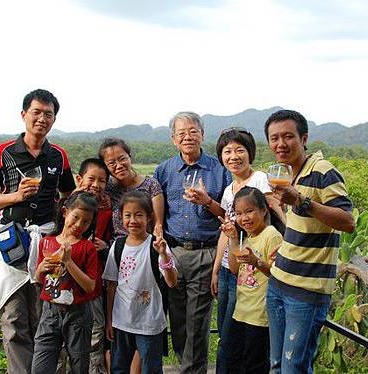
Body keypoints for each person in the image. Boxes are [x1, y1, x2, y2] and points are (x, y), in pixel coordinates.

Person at [0, 88, 76, 373]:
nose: (42, 119)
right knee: (13, 318)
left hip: (46, 242)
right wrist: (15, 197)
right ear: (24, 115)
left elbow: (70, 198)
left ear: (54, 119)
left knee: (45, 317)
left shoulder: (58, 156)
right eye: (36, 112)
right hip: (11, 242)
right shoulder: (4, 152)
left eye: (49, 114)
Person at [264, 109, 355, 374]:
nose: (281, 144)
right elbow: (302, 223)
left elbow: (347, 222)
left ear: (304, 138)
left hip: (307, 290)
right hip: (279, 282)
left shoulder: (323, 171)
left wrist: (302, 201)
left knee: (295, 368)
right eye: (274, 138)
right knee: (277, 365)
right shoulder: (290, 173)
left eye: (288, 136)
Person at [184, 127, 282, 373]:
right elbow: (227, 230)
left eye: (240, 150)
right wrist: (217, 269)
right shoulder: (229, 189)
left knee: (243, 339)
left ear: (250, 153)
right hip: (231, 268)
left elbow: (276, 211)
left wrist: (291, 236)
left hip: (254, 272)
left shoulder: (259, 180)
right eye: (227, 152)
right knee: (228, 335)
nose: (233, 156)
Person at [153, 111, 231, 373]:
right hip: (173, 252)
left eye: (193, 131)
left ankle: (191, 370)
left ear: (202, 135)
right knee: (177, 320)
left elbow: (230, 215)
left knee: (197, 322)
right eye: (181, 133)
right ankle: (188, 365)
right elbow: (157, 209)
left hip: (205, 252)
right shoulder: (163, 170)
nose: (187, 137)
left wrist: (207, 202)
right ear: (174, 140)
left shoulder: (220, 171)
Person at [103, 191, 178, 374]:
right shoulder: (118, 246)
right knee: (119, 367)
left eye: (139, 215)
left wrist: (163, 255)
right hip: (122, 321)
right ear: (121, 218)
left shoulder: (157, 245)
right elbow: (112, 285)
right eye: (128, 215)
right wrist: (109, 320)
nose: (133, 220)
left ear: (149, 217)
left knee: (150, 368)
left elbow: (172, 282)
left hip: (149, 322)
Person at [31, 191, 99, 374]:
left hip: (78, 312)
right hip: (50, 310)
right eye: (75, 217)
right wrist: (40, 270)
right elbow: (38, 280)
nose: (79, 225)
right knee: (41, 364)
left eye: (86, 222)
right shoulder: (46, 242)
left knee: (78, 365)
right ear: (64, 212)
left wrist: (69, 262)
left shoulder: (88, 248)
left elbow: (90, 286)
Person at [220, 187, 284, 373]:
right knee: (233, 360)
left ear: (264, 210)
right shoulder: (246, 237)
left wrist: (256, 262)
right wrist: (232, 238)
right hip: (241, 311)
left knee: (254, 365)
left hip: (260, 315)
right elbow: (234, 269)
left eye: (249, 211)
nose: (244, 218)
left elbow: (278, 275)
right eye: (239, 213)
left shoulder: (271, 235)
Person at [75, 158, 113, 373]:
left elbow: (112, 240)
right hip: (68, 283)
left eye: (102, 181)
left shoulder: (106, 210)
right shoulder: (68, 206)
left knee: (95, 334)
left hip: (95, 281)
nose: (96, 185)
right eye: (91, 179)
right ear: (80, 179)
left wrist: (104, 245)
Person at [99, 138, 164, 240]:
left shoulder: (151, 185)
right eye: (112, 163)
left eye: (122, 159)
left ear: (130, 157)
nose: (119, 166)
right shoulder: (106, 188)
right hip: (116, 248)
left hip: (144, 246)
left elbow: (157, 226)